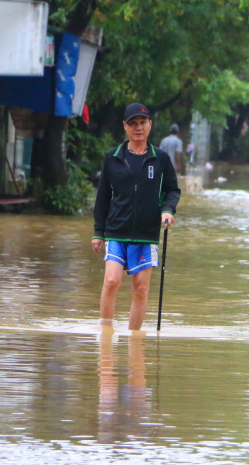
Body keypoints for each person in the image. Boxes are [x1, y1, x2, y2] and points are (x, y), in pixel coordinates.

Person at [93, 103, 181, 331]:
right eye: (133, 124)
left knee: (141, 288)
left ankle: (134, 341)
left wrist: (167, 210)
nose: (138, 128)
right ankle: (105, 333)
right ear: (125, 126)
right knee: (112, 281)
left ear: (150, 125)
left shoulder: (160, 159)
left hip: (146, 233)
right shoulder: (112, 157)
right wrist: (98, 232)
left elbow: (173, 190)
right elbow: (103, 196)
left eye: (142, 123)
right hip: (116, 230)